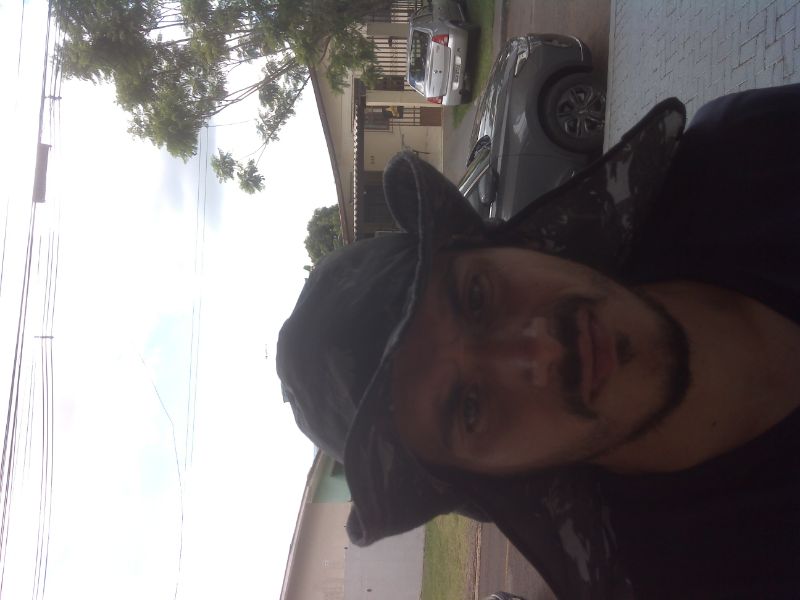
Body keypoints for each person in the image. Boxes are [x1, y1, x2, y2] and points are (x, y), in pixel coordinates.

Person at [276, 84, 800, 599]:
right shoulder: (695, 582)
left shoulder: (744, 158)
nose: (544, 353)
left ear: (501, 248)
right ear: (494, 479)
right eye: (470, 407)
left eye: (477, 297)